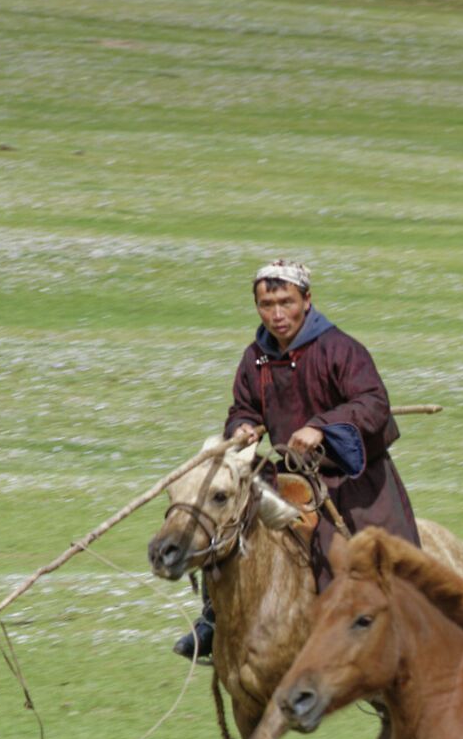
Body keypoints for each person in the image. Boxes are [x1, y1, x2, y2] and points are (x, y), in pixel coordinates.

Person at [174, 260, 422, 658]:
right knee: (224, 515)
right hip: (290, 477)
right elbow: (243, 407)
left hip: (353, 478)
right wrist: (243, 427)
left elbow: (373, 403)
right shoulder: (256, 358)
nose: (277, 314)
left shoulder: (340, 349)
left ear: (307, 301)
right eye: (266, 304)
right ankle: (214, 619)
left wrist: (322, 427)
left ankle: (399, 641)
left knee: (380, 564)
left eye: (286, 302)